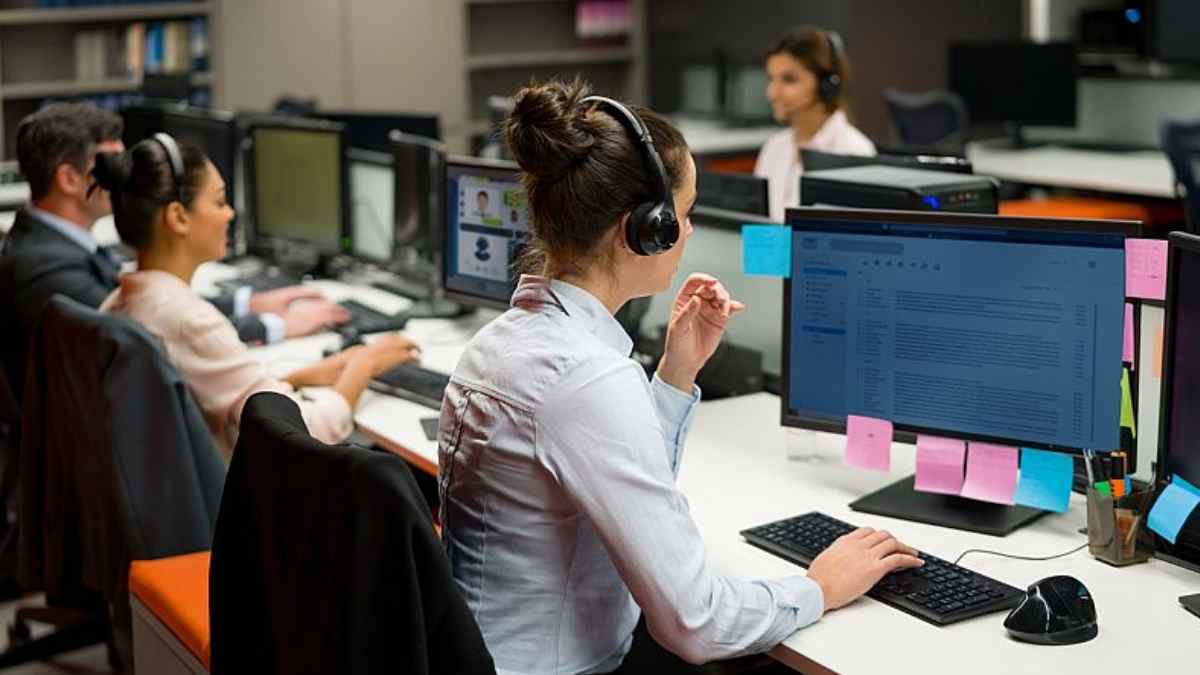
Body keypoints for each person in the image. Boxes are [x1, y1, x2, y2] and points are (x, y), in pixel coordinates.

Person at [438, 79, 921, 675]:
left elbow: (617, 490)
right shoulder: (583, 379)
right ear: (643, 230)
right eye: (683, 215)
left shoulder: (503, 345)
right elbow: (698, 624)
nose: (688, 233)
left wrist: (674, 374)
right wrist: (819, 587)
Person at [94, 134, 419, 458]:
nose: (230, 214)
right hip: (231, 503)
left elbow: (202, 401)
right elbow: (307, 434)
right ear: (178, 217)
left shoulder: (116, 305)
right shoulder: (186, 321)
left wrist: (298, 378)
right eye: (219, 201)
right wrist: (364, 363)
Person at [0, 103, 347, 404]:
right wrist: (276, 327)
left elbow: (159, 311)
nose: (126, 176)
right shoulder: (46, 269)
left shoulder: (57, 244)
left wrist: (248, 304)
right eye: (112, 165)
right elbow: (158, 336)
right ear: (69, 179)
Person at [754, 26, 876, 222]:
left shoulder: (854, 152)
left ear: (827, 85)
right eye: (771, 79)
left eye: (788, 79)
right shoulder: (774, 147)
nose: (772, 93)